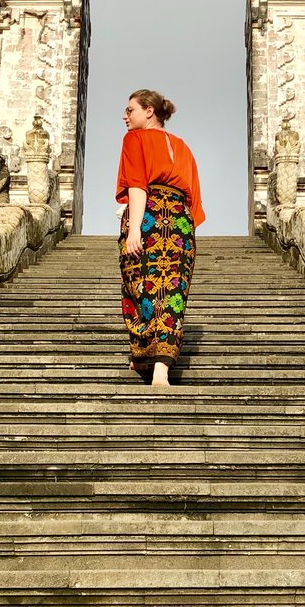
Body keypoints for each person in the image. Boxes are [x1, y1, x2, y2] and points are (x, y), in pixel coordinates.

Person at [115, 90, 205, 386]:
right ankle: (160, 369)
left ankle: (144, 354)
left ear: (149, 111)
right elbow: (194, 202)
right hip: (180, 220)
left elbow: (137, 187)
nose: (125, 116)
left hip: (150, 215)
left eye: (130, 110)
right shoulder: (184, 147)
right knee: (172, 291)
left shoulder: (134, 139)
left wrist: (134, 229)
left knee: (141, 284)